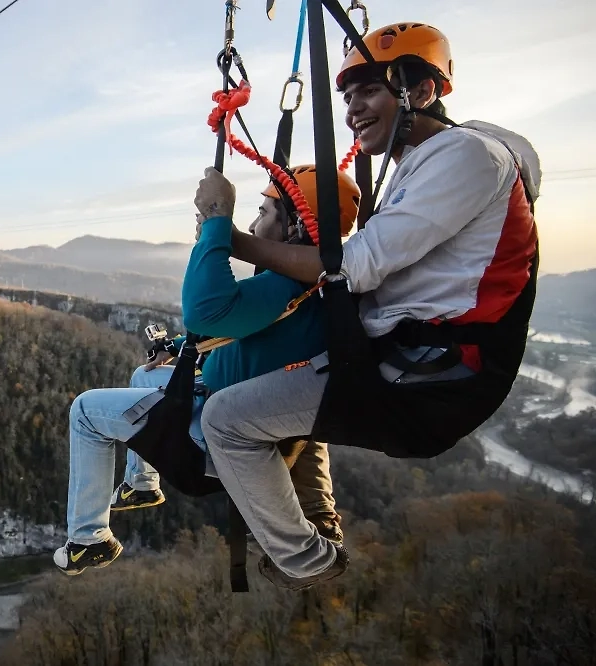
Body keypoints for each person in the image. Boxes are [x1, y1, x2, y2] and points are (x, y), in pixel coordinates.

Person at [193, 22, 541, 591]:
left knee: (227, 421)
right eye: (348, 98)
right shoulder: (425, 164)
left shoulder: (468, 157)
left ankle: (305, 558)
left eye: (369, 92)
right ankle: (317, 527)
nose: (353, 109)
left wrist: (227, 234)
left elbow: (354, 265)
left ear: (420, 91)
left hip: (435, 374)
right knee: (282, 384)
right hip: (413, 357)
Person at [53, 164, 362, 576]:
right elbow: (239, 331)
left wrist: (217, 223)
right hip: (225, 406)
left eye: (265, 213)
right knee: (144, 377)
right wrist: (180, 349)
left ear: (296, 228)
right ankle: (141, 485)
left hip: (209, 438)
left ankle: (88, 540)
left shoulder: (287, 286)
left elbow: (206, 310)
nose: (254, 223)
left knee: (86, 412)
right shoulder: (310, 290)